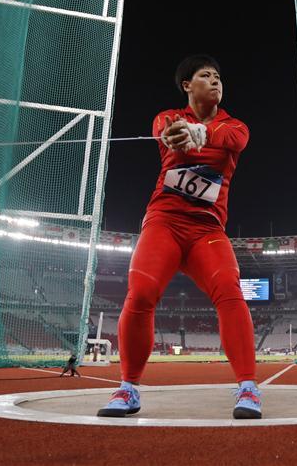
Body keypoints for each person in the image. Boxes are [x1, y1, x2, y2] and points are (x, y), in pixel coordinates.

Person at [97, 55, 261, 419]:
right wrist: (180, 136)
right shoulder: (167, 118)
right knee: (140, 293)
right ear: (187, 85)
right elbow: (170, 136)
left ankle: (248, 388)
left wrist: (206, 132)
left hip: (207, 231)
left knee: (231, 292)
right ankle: (128, 389)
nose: (215, 81)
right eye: (206, 75)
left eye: (219, 76)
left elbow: (234, 140)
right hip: (164, 223)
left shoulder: (235, 126)